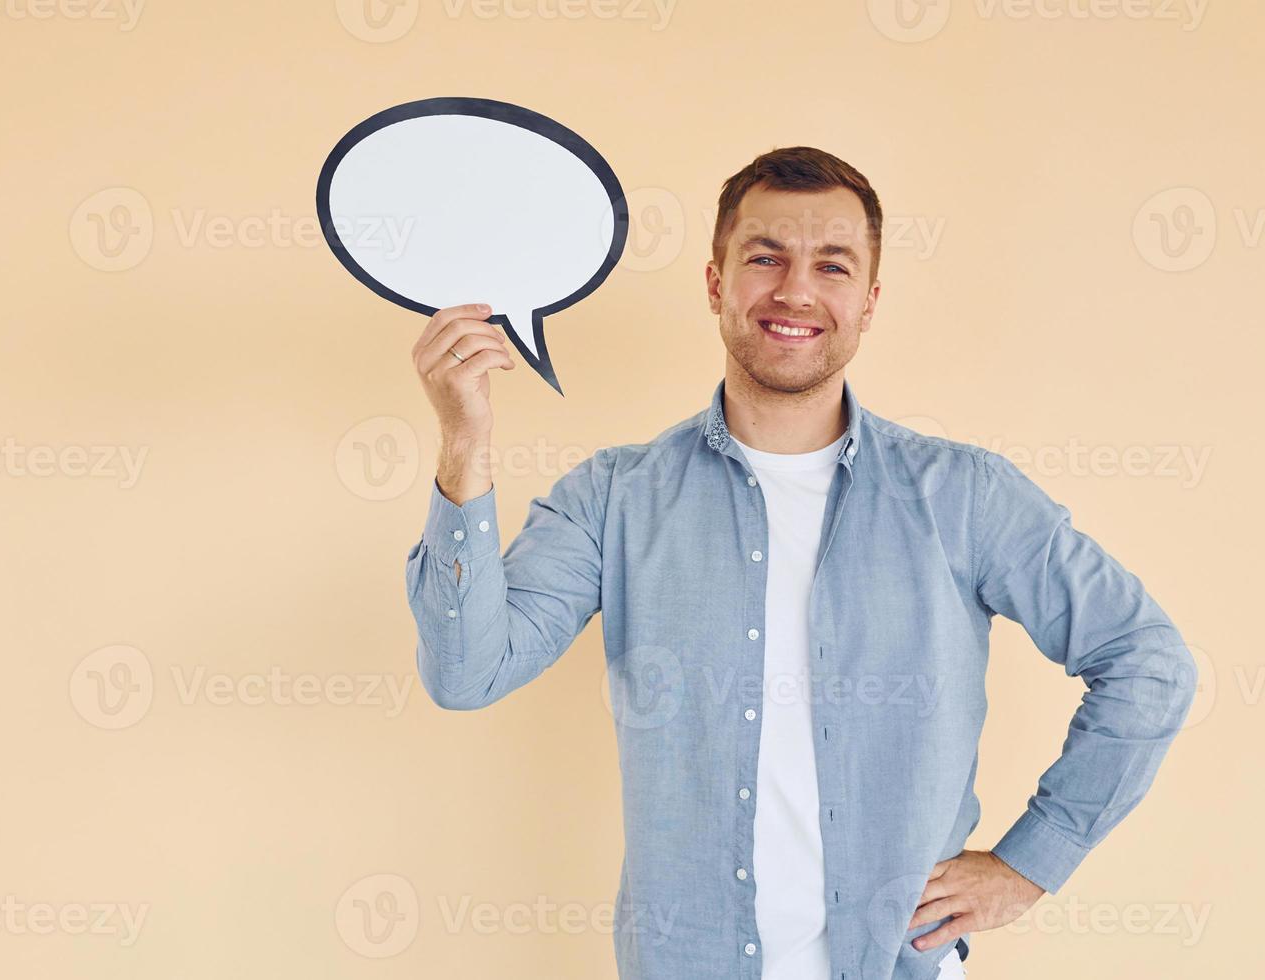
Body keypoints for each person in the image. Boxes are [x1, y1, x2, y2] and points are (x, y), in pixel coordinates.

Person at [405, 146, 1196, 979]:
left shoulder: (964, 496)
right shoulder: (615, 496)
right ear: (715, 283)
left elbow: (1148, 661)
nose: (796, 291)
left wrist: (1036, 859)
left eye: (832, 265)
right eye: (765, 258)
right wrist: (465, 440)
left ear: (869, 301)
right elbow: (465, 673)